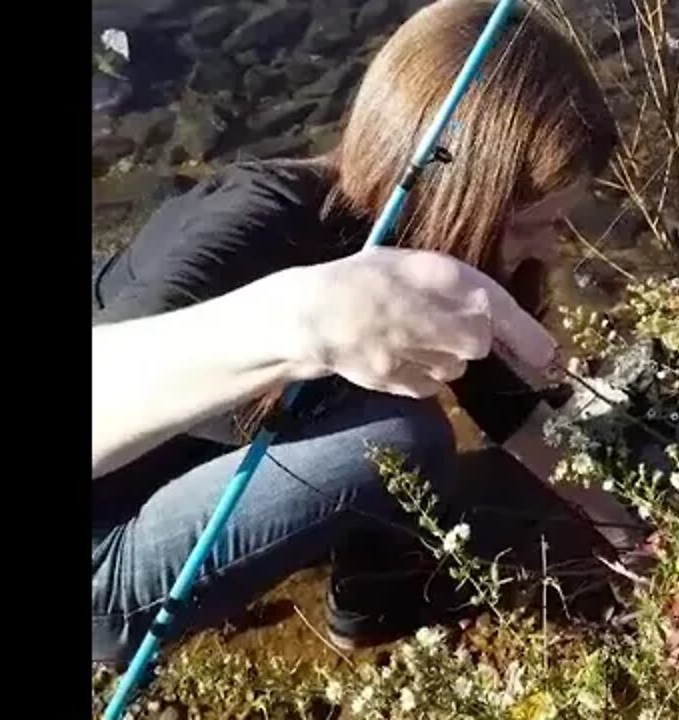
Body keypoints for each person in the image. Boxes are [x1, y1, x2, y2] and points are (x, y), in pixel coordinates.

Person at [91, 0, 619, 664]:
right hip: (101, 540)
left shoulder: (431, 240)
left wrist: (621, 523)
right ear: (456, 192)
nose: (550, 249)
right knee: (405, 437)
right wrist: (304, 321)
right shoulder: (257, 225)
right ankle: (371, 606)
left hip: (181, 440)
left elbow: (511, 411)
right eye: (527, 224)